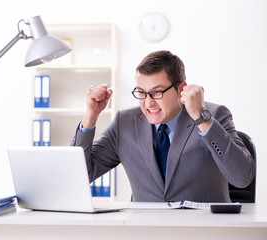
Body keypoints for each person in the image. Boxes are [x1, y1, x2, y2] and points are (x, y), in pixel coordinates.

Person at [71, 50, 255, 202]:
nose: (148, 103)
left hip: (202, 230)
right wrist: (90, 116)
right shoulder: (124, 123)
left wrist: (201, 118)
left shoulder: (213, 115)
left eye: (157, 92)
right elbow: (78, 176)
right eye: (142, 93)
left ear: (181, 88)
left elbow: (242, 178)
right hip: (146, 230)